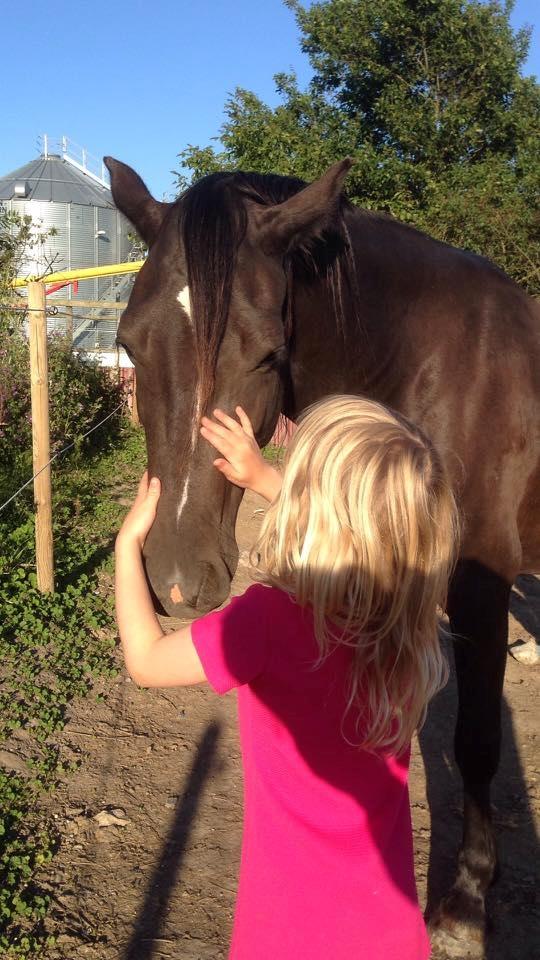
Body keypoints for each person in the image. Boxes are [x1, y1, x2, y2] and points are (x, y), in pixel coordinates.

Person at [115, 395, 458, 960]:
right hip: (390, 935)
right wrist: (265, 478)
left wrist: (127, 547)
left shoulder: (267, 622)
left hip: (287, 933)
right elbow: (365, 538)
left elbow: (146, 660)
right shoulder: (407, 624)